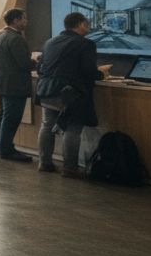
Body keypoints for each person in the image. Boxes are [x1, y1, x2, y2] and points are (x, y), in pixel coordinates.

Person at [35, 11, 111, 177]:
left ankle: (44, 163)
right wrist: (102, 74)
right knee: (73, 128)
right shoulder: (85, 44)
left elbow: (40, 67)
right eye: (87, 24)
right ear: (82, 24)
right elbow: (88, 71)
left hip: (47, 90)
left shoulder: (50, 42)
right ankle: (70, 168)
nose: (88, 27)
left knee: (47, 125)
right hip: (70, 93)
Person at [0, 8, 35, 163]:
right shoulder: (16, 38)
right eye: (24, 18)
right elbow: (25, 64)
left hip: (0, 83)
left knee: (3, 116)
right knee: (11, 118)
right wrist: (38, 62)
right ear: (16, 20)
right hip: (14, 85)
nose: (26, 21)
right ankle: (7, 150)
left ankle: (0, 148)